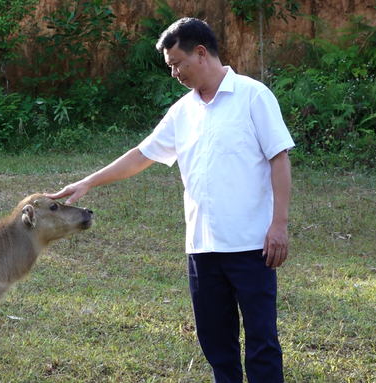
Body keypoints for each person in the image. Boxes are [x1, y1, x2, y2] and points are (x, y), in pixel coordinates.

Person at [46, 17, 294, 383]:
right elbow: (142, 154)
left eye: (177, 64)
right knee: (215, 342)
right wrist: (89, 182)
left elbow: (279, 158)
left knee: (261, 341)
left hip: (251, 246)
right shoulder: (183, 111)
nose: (175, 73)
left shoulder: (253, 96)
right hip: (202, 248)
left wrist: (279, 224)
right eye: (170, 67)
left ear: (200, 52)